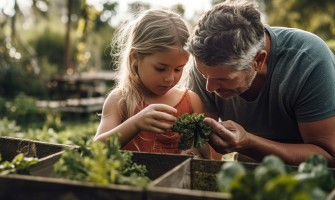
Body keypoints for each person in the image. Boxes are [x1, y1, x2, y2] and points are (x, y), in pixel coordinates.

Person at [187, 0, 335, 166]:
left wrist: (248, 143)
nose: (209, 87)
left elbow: (329, 155)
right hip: (243, 176)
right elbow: (206, 147)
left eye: (224, 79)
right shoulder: (209, 65)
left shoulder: (308, 60)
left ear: (258, 60)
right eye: (203, 75)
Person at [94, 9, 211, 159]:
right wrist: (135, 124)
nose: (169, 78)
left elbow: (204, 155)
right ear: (135, 56)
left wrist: (194, 152)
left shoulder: (191, 102)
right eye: (160, 68)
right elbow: (96, 149)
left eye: (178, 69)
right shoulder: (120, 100)